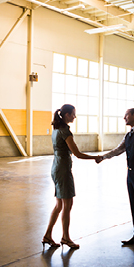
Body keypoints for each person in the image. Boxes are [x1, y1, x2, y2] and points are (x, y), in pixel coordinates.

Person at [97, 108, 134, 252]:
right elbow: (118, 150)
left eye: (126, 115)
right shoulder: (129, 135)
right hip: (130, 174)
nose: (124, 118)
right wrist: (103, 157)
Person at [42, 104, 101, 250]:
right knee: (67, 206)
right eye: (73, 114)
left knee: (59, 205)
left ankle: (48, 235)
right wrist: (95, 157)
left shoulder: (56, 130)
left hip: (56, 168)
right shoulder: (65, 131)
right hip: (63, 170)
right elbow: (78, 154)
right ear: (67, 115)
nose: (75, 116)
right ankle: (65, 238)